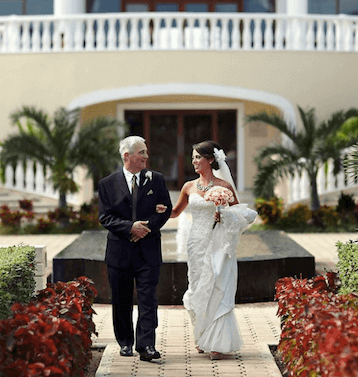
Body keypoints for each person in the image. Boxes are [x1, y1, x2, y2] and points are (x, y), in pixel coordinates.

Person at [170, 140, 258, 360]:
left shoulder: (225, 186)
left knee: (217, 286)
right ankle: (201, 336)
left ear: (210, 159)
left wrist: (224, 215)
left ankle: (217, 342)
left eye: (198, 157)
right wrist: (154, 208)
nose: (194, 162)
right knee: (198, 287)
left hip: (218, 243)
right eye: (192, 158)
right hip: (196, 243)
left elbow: (241, 215)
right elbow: (174, 213)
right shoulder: (188, 186)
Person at [97, 135, 172, 362]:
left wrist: (146, 229)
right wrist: (131, 228)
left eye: (146, 153)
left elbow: (165, 209)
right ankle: (125, 342)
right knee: (121, 300)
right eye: (142, 153)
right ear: (127, 155)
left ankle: (146, 346)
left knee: (148, 299)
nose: (146, 157)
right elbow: (105, 217)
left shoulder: (156, 180)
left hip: (148, 251)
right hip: (119, 252)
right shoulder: (107, 184)